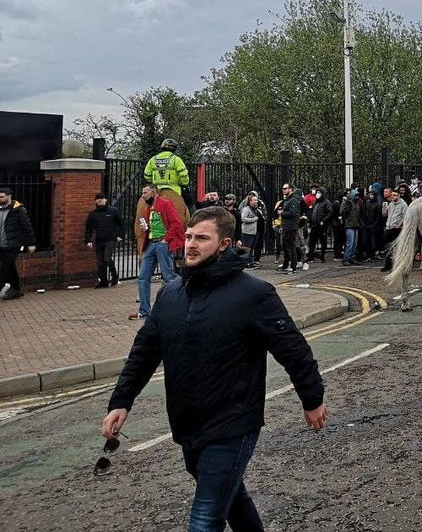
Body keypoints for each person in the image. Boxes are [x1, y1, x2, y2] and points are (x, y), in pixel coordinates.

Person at [102, 207, 327, 531]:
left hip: (233, 423)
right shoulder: (171, 294)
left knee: (205, 518)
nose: (191, 244)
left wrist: (312, 398)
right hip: (187, 422)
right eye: (190, 236)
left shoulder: (254, 294)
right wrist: (121, 401)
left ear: (224, 244)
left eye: (202, 238)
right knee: (233, 500)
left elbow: (292, 350)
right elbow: (143, 353)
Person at [132, 184, 184, 320]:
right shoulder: (150, 207)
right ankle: (144, 311)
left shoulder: (166, 204)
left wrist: (166, 239)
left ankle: (181, 304)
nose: (143, 196)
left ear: (153, 192)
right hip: (151, 243)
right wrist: (147, 227)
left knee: (169, 277)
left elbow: (176, 223)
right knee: (143, 277)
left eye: (145, 193)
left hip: (162, 244)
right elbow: (157, 224)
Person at [0, 186, 36, 301]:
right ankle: (16, 289)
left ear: (9, 196)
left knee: (5, 266)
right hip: (1, 244)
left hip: (13, 244)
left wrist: (31, 243)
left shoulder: (18, 209)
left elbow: (27, 227)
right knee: (10, 266)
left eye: (1, 197)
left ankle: (2, 286)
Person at [85, 192, 123, 287]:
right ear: (95, 201)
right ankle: (103, 281)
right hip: (99, 240)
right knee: (100, 262)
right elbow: (88, 228)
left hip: (110, 239)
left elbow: (121, 223)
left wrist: (120, 235)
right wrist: (88, 240)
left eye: (102, 198)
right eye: (98, 199)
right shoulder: (93, 214)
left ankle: (114, 276)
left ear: (105, 200)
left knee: (107, 258)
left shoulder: (113, 211)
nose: (100, 200)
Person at [144, 138, 191, 207]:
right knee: (191, 203)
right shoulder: (175, 159)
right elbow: (183, 174)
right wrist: (184, 183)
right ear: (174, 149)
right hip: (174, 189)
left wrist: (153, 181)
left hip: (156, 189)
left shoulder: (152, 160)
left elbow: (147, 175)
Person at [380, 190, 408, 272]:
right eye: (392, 195)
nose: (393, 197)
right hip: (389, 227)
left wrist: (399, 225)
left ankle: (398, 264)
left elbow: (405, 216)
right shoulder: (391, 204)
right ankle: (388, 264)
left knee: (396, 247)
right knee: (388, 247)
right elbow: (385, 215)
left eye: (395, 195)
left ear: (399, 195)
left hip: (396, 229)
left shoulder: (403, 204)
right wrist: (384, 208)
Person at [277, 183, 302, 274]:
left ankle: (293, 267)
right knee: (285, 246)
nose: (283, 190)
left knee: (291, 247)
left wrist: (282, 213)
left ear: (291, 189)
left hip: (291, 227)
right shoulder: (288, 200)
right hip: (286, 226)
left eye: (285, 188)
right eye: (282, 188)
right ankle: (286, 265)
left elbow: (293, 213)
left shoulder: (293, 200)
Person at [306, 188, 332, 263]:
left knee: (323, 241)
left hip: (321, 225)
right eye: (317, 192)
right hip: (314, 224)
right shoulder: (315, 202)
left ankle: (322, 256)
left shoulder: (326, 202)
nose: (317, 194)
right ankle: (311, 257)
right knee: (312, 241)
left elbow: (330, 212)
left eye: (319, 193)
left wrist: (323, 220)